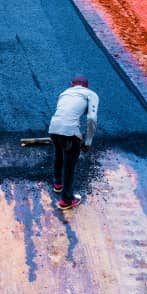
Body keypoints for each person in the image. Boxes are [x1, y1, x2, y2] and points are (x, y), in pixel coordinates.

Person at [47, 76, 99, 210]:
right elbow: (92, 118)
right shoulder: (91, 94)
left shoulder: (64, 93)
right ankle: (67, 200)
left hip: (53, 127)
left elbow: (64, 112)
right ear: (86, 86)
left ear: (72, 84)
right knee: (69, 167)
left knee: (58, 155)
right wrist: (87, 141)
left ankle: (58, 184)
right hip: (69, 132)